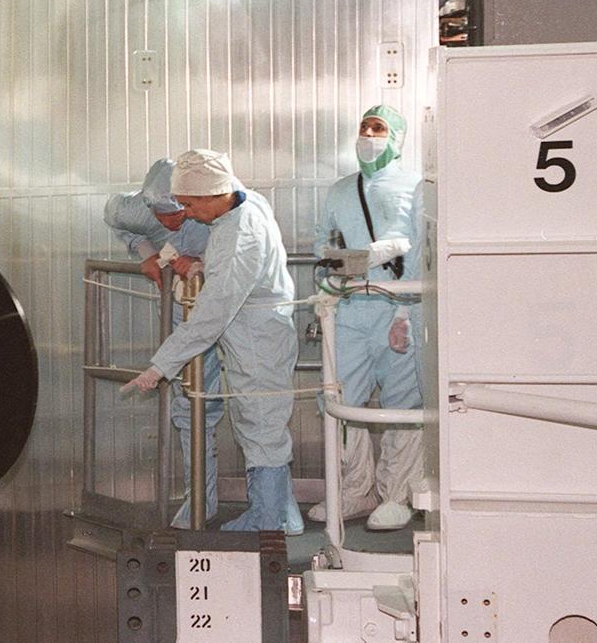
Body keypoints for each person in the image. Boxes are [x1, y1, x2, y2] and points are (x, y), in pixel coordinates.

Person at [124, 150, 302, 534]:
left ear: (211, 196)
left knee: (261, 427)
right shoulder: (244, 202)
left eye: (188, 204)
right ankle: (274, 514)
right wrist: (207, 265)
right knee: (255, 424)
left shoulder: (241, 235)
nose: (185, 213)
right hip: (251, 331)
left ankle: (268, 523)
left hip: (256, 337)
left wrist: (159, 367)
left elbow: (210, 315)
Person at [310, 104, 423, 531]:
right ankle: (355, 490)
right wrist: (333, 270)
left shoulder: (416, 186)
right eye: (364, 127)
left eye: (378, 128)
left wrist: (404, 314)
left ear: (396, 138)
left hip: (399, 306)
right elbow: (322, 240)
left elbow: (421, 247)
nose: (369, 134)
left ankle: (399, 494)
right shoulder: (340, 190)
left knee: (403, 403)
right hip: (352, 308)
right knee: (339, 400)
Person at [104, 159, 223, 529]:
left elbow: (242, 253)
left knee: (256, 405)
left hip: (229, 309)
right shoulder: (136, 210)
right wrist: (147, 254)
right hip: (181, 311)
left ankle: (275, 503)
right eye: (162, 214)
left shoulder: (216, 214)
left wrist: (203, 262)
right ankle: (201, 501)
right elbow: (113, 217)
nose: (172, 221)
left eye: (180, 212)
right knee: (190, 406)